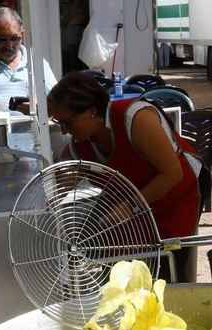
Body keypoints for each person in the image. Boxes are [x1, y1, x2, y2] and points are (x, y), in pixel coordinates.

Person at [47, 72, 202, 281]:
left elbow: (172, 174)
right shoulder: (81, 146)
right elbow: (60, 184)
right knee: (125, 273)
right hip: (134, 206)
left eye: (68, 122)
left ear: (92, 111)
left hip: (175, 196)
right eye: (60, 123)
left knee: (168, 273)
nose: (64, 131)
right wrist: (47, 202)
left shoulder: (136, 119)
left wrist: (129, 207)